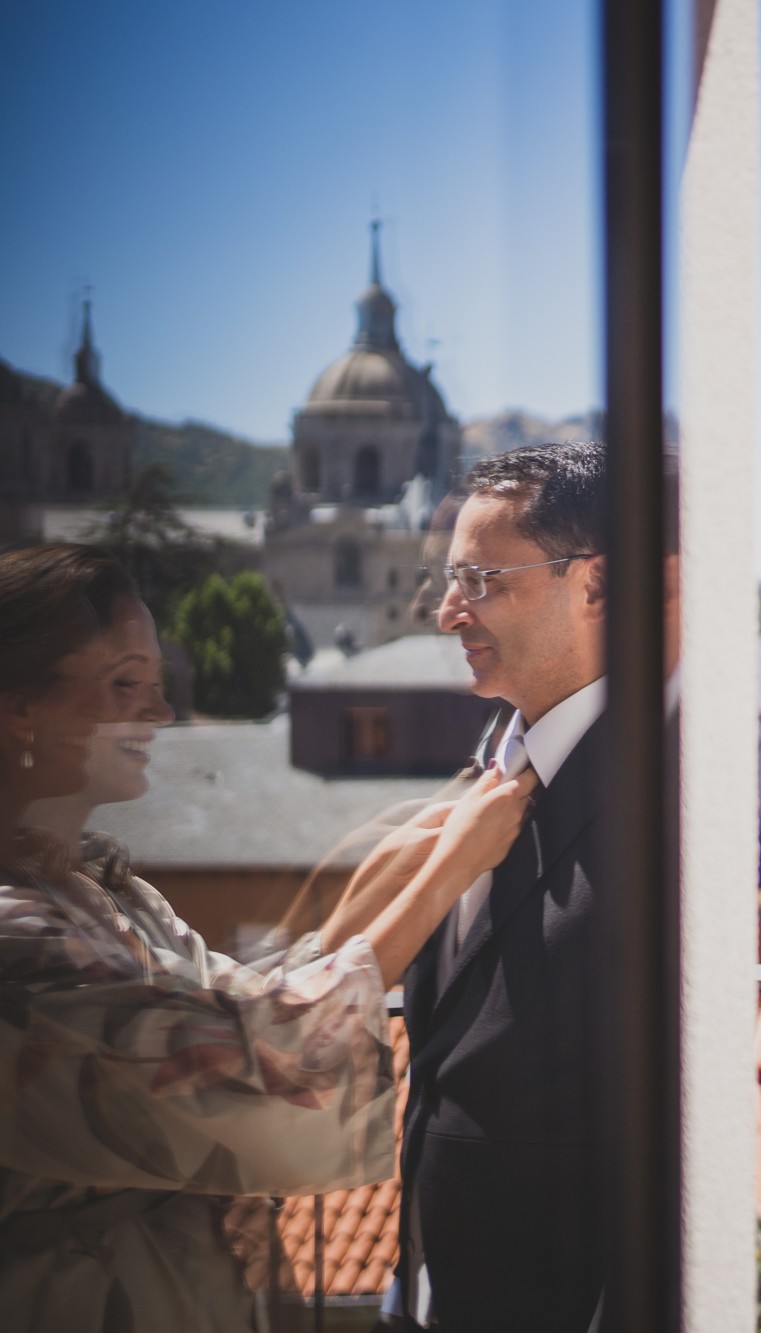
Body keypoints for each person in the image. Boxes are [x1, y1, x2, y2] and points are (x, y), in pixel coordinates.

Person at [0, 543, 531, 1332]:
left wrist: (405, 858)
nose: (159, 712)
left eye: (154, 683)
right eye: (123, 685)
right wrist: (448, 870)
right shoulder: (18, 936)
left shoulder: (103, 892)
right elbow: (242, 1060)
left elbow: (248, 1000)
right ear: (18, 707)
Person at [389, 440, 624, 1331]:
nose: (448, 613)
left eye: (482, 580)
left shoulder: (663, 807)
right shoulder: (488, 780)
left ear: (595, 586)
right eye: (451, 581)